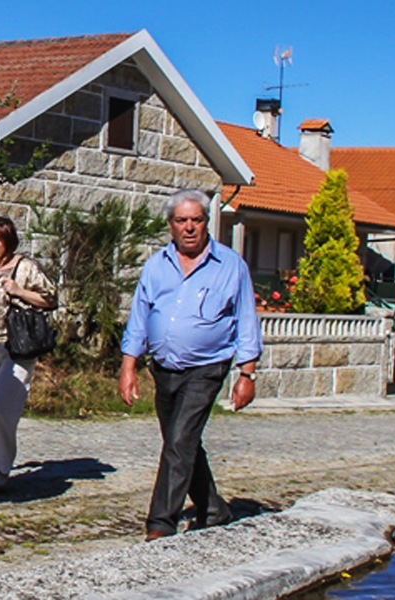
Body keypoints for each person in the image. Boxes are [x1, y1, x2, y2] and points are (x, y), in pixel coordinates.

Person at [118, 189, 262, 541]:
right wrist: (128, 366)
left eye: (196, 220)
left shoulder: (231, 266)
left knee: (180, 439)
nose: (189, 228)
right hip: (164, 368)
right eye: (181, 221)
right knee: (180, 442)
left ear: (206, 222)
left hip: (207, 368)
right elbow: (139, 317)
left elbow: (246, 320)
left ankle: (160, 522)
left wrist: (247, 373)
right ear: (170, 225)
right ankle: (213, 509)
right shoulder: (156, 265)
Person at [0, 216, 56, 491]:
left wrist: (19, 291)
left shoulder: (26, 267)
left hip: (17, 346)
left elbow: (51, 298)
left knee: (1, 408)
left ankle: (2, 467)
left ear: (7, 242)